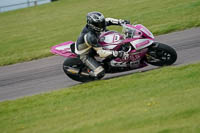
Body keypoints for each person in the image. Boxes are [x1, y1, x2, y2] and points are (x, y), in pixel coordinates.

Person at [75, 11, 130, 79]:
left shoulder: (97, 25)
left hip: (94, 43)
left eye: (102, 23)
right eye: (99, 24)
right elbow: (101, 53)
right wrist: (118, 54)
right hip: (86, 53)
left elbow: (108, 20)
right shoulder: (90, 36)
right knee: (100, 73)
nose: (102, 25)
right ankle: (89, 72)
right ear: (92, 24)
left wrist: (121, 22)